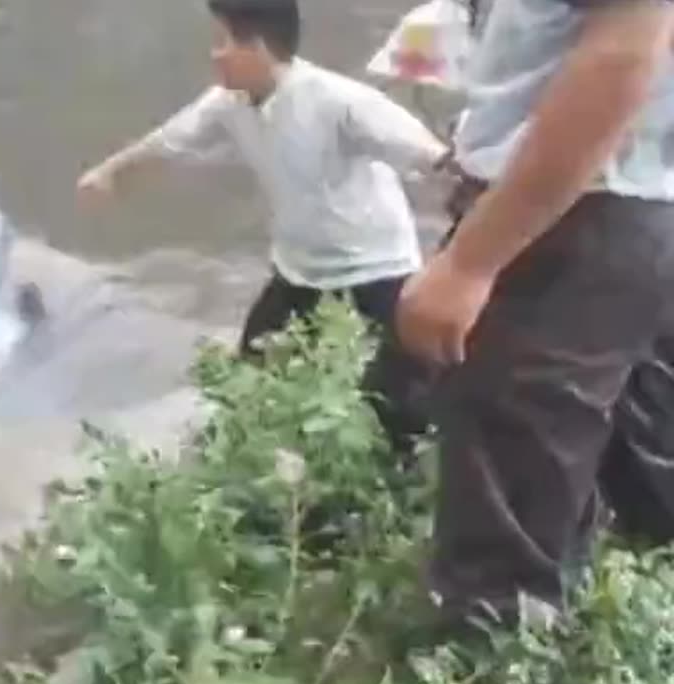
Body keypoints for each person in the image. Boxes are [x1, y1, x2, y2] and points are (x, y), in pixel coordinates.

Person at [396, 0, 674, 630]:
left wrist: (471, 261)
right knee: (637, 463)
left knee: (506, 524)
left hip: (572, 220)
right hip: (628, 208)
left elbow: (619, 53)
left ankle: (497, 677)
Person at [76, 0, 450, 454]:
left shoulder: (339, 102)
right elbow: (171, 141)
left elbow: (428, 156)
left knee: (399, 401)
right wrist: (111, 173)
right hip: (301, 270)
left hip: (377, 269)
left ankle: (407, 481)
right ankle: (253, 465)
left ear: (257, 46)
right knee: (248, 377)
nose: (214, 55)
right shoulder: (227, 103)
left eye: (222, 42)